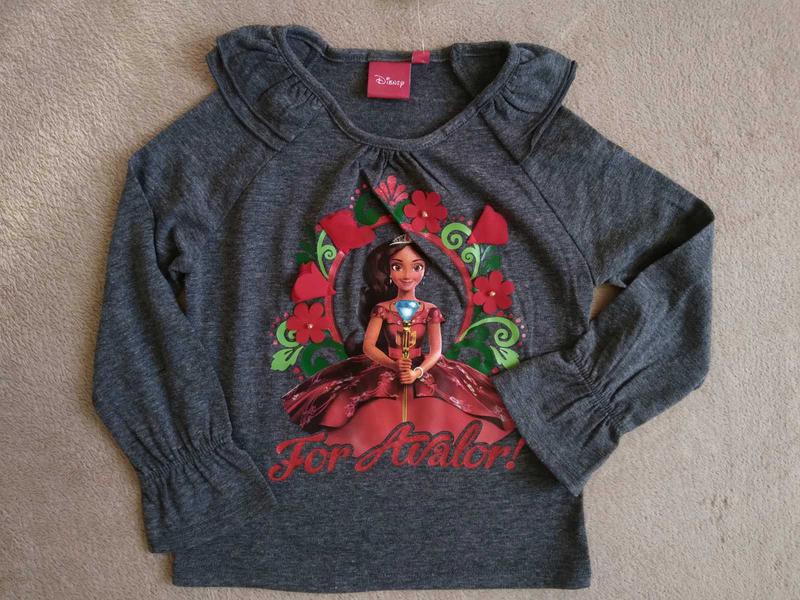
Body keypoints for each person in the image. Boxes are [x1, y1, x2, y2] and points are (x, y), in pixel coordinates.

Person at [281, 233, 516, 454]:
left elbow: (436, 351)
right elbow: (369, 346)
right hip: (386, 365)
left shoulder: (430, 310)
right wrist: (393, 365)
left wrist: (418, 372)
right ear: (388, 271)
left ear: (425, 270)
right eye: (397, 266)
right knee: (361, 412)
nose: (407, 274)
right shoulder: (382, 309)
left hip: (422, 368)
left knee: (450, 410)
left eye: (416, 267)